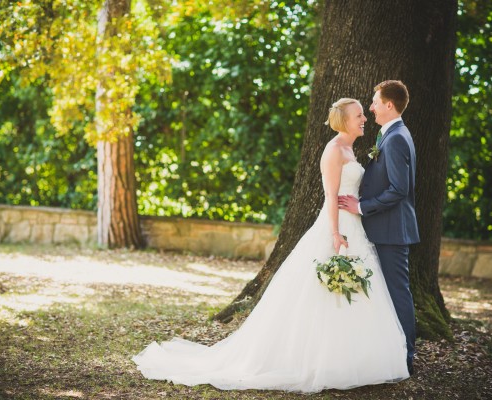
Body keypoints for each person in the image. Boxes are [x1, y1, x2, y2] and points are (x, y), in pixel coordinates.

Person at [132, 98, 410, 393]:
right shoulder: (333, 150)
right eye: (358, 115)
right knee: (323, 292)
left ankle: (354, 358)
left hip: (354, 226)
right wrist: (334, 234)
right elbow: (330, 196)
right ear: (344, 120)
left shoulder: (349, 149)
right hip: (337, 228)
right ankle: (321, 361)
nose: (364, 118)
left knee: (352, 292)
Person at [339, 81, 420, 376]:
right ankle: (392, 352)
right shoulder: (390, 134)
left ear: (389, 105)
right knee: (390, 293)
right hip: (385, 228)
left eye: (374, 102)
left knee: (398, 292)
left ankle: (407, 356)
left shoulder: (397, 137)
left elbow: (400, 189)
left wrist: (361, 207)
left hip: (392, 229)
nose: (370, 107)